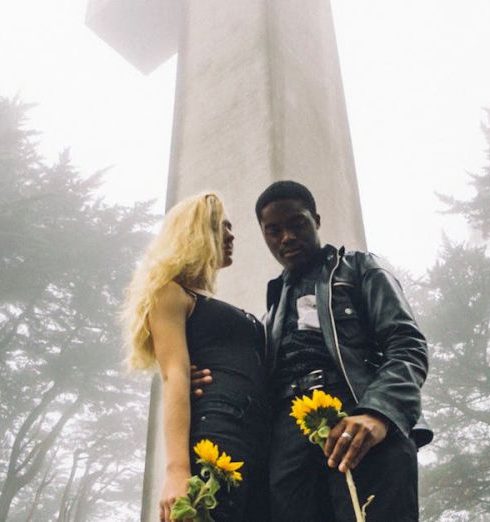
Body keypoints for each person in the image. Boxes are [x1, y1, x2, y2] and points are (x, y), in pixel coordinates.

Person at [193, 180, 432, 521]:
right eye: (273, 230)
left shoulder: (361, 269)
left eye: (296, 224)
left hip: (357, 414)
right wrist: (202, 381)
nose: (286, 237)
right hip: (286, 442)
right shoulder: (271, 313)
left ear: (316, 221)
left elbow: (407, 345)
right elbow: (249, 375)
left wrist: (378, 414)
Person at [122, 193, 269, 522]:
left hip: (261, 436)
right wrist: (176, 471)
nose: (231, 236)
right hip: (219, 433)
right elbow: (175, 375)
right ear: (194, 232)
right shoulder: (169, 292)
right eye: (221, 227)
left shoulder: (203, 299)